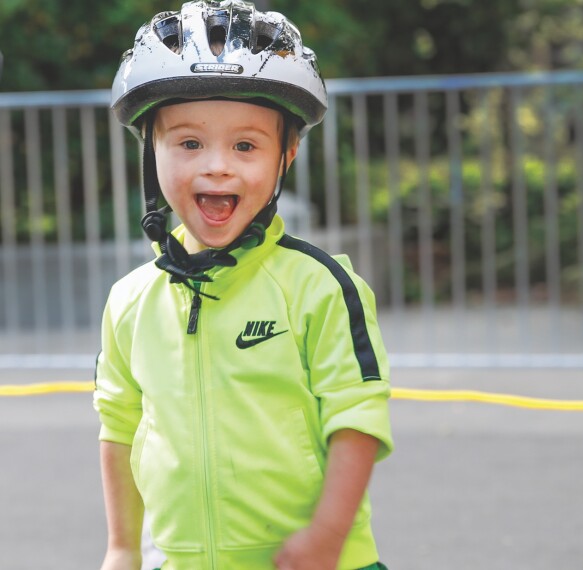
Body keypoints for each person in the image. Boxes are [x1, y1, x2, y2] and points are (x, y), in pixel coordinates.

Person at [93, 2, 393, 569]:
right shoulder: (130, 301)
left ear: (288, 154)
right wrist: (122, 549)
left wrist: (327, 538)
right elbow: (119, 427)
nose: (217, 168)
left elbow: (357, 418)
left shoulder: (320, 286)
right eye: (187, 144)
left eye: (246, 146)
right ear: (149, 149)